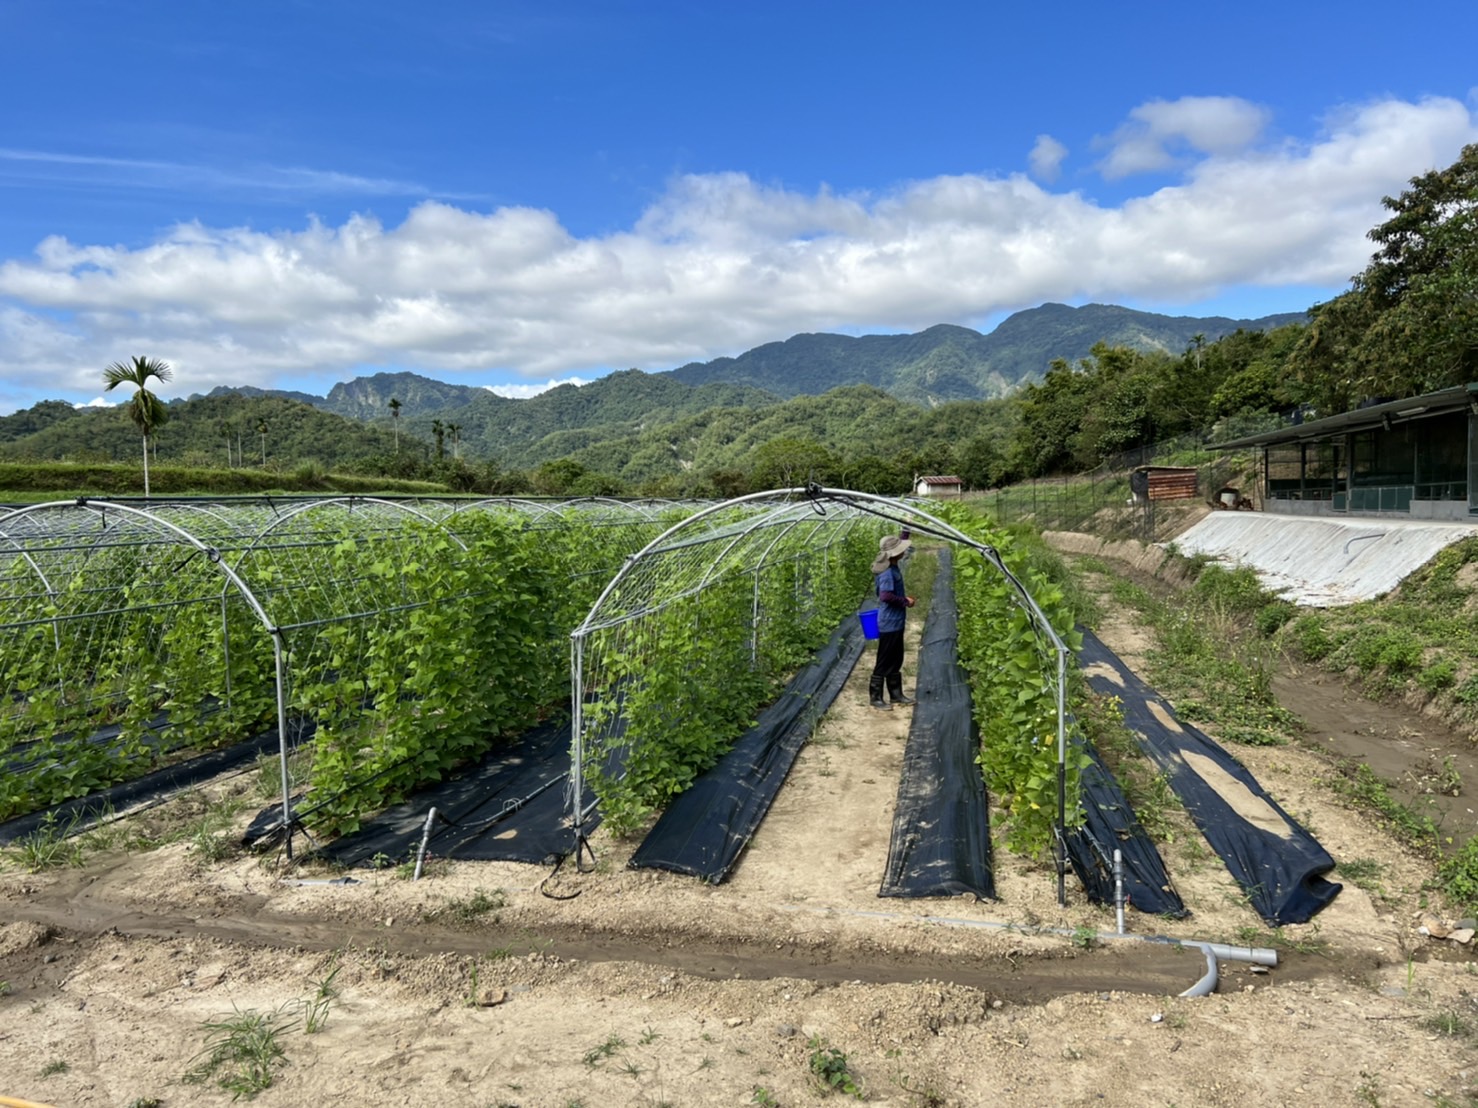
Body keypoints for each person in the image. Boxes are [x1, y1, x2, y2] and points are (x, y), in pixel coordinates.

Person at [869, 534, 916, 711]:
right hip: (889, 622)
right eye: (901, 550)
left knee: (896, 658)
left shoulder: (891, 565)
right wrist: (905, 601)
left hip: (896, 621)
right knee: (884, 659)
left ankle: (896, 694)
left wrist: (906, 529)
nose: (904, 552)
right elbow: (885, 596)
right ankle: (876, 697)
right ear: (895, 554)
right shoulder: (887, 572)